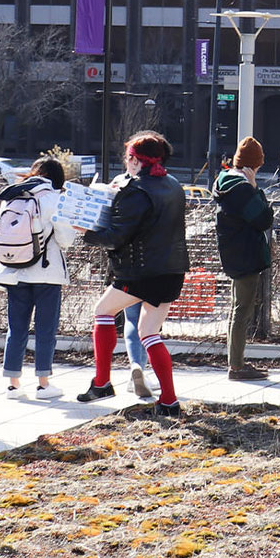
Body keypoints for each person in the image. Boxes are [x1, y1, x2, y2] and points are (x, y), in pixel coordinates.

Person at [78, 131, 190, 415]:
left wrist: (86, 231)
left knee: (102, 311)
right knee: (149, 332)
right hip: (172, 271)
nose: (126, 162)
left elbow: (116, 236)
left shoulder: (135, 190)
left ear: (136, 160)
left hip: (140, 272)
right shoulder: (174, 184)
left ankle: (102, 382)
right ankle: (169, 401)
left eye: (128, 157)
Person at [0, 153, 78, 399]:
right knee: (45, 328)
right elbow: (66, 240)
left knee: (16, 327)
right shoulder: (55, 199)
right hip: (47, 273)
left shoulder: (12, 195)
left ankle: (13, 384)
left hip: (16, 271)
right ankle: (43, 384)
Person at [212, 136, 274, 383]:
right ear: (253, 166)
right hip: (246, 256)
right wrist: (255, 187)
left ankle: (235, 362)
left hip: (234, 254)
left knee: (237, 309)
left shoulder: (224, 181)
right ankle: (236, 366)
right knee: (242, 310)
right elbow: (264, 220)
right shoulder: (242, 189)